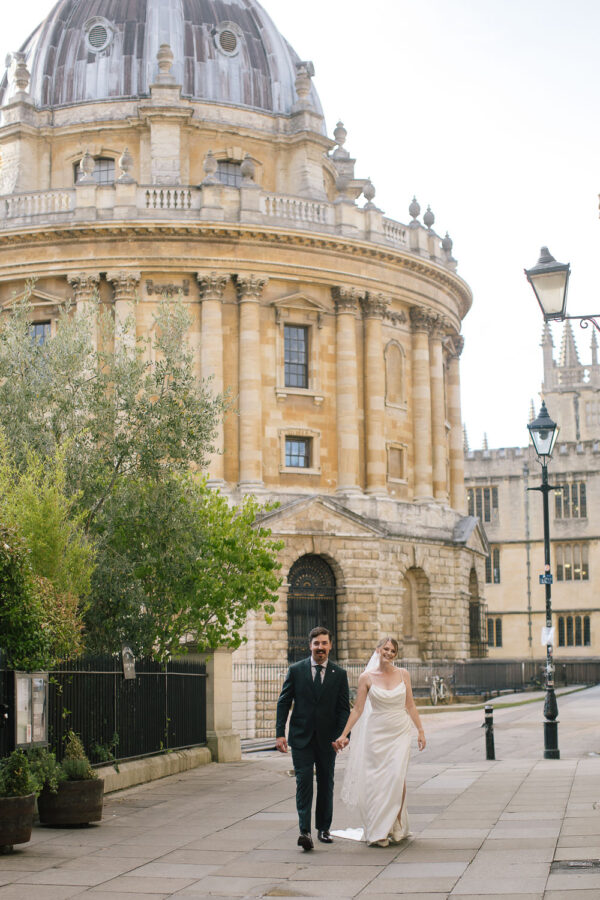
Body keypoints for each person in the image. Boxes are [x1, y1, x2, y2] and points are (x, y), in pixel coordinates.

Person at [331, 637, 426, 847]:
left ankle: (397, 823)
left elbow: (410, 705)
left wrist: (420, 730)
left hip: (399, 731)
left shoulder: (404, 674)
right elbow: (357, 709)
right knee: (378, 780)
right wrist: (344, 734)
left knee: (396, 776)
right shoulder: (366, 677)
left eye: (393, 650)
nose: (389, 653)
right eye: (386, 649)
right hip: (377, 732)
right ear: (378, 650)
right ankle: (379, 829)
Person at [276, 626, 350, 852]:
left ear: (330, 646)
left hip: (328, 741)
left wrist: (343, 735)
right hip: (301, 739)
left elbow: (343, 709)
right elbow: (284, 701)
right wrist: (280, 733)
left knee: (326, 783)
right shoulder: (296, 670)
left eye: (324, 643)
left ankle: (324, 829)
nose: (320, 648)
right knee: (304, 782)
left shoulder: (340, 674)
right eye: (316, 644)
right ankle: (304, 831)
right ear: (310, 646)